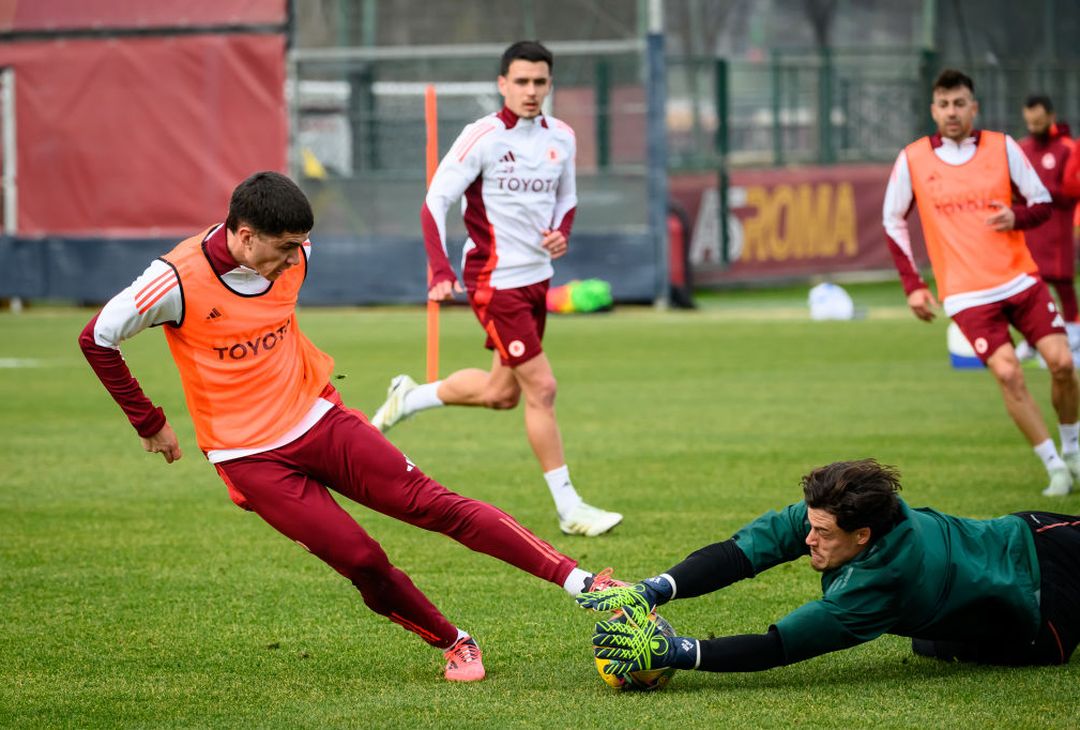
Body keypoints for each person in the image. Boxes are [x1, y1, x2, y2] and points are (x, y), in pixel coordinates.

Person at [77, 171, 624, 683]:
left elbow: (288, 269)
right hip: (247, 455)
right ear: (244, 237)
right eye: (284, 247)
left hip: (317, 416)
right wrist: (149, 422)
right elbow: (96, 337)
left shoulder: (295, 254)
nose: (295, 258)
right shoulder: (173, 280)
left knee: (435, 504)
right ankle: (454, 641)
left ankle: (585, 584)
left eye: (300, 245)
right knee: (361, 559)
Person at [370, 40, 622, 537]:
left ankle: (410, 398)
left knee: (501, 393)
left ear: (550, 85)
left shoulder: (562, 137)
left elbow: (566, 200)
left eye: (540, 82)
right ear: (502, 84)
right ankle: (570, 510)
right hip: (493, 281)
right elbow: (433, 203)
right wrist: (440, 270)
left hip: (536, 280)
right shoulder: (480, 137)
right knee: (543, 389)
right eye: (521, 82)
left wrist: (561, 232)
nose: (531, 91)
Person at [576, 459, 1080, 677]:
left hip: (1047, 600)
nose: (808, 538)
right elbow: (740, 554)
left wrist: (678, 652)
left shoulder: (884, 583)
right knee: (935, 645)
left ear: (862, 536)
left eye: (822, 534)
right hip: (1019, 532)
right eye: (809, 525)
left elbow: (779, 646)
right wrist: (653, 590)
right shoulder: (841, 513)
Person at [882, 69, 1080, 497]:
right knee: (1009, 374)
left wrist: (1016, 216)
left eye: (959, 103)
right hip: (966, 293)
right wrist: (913, 284)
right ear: (933, 110)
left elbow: (1042, 203)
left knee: (1062, 364)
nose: (952, 112)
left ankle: (1074, 448)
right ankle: (1054, 467)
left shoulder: (1002, 147)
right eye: (944, 104)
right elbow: (892, 219)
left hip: (1020, 279)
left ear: (974, 107)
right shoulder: (913, 158)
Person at [1016, 94, 1078, 361]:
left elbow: (1072, 188)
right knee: (1031, 288)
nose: (1034, 128)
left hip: (1058, 229)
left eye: (1039, 122)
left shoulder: (1067, 147)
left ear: (1050, 117)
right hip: (1030, 232)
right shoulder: (1021, 149)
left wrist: (1042, 192)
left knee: (1063, 283)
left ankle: (1074, 337)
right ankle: (1033, 340)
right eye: (1029, 123)